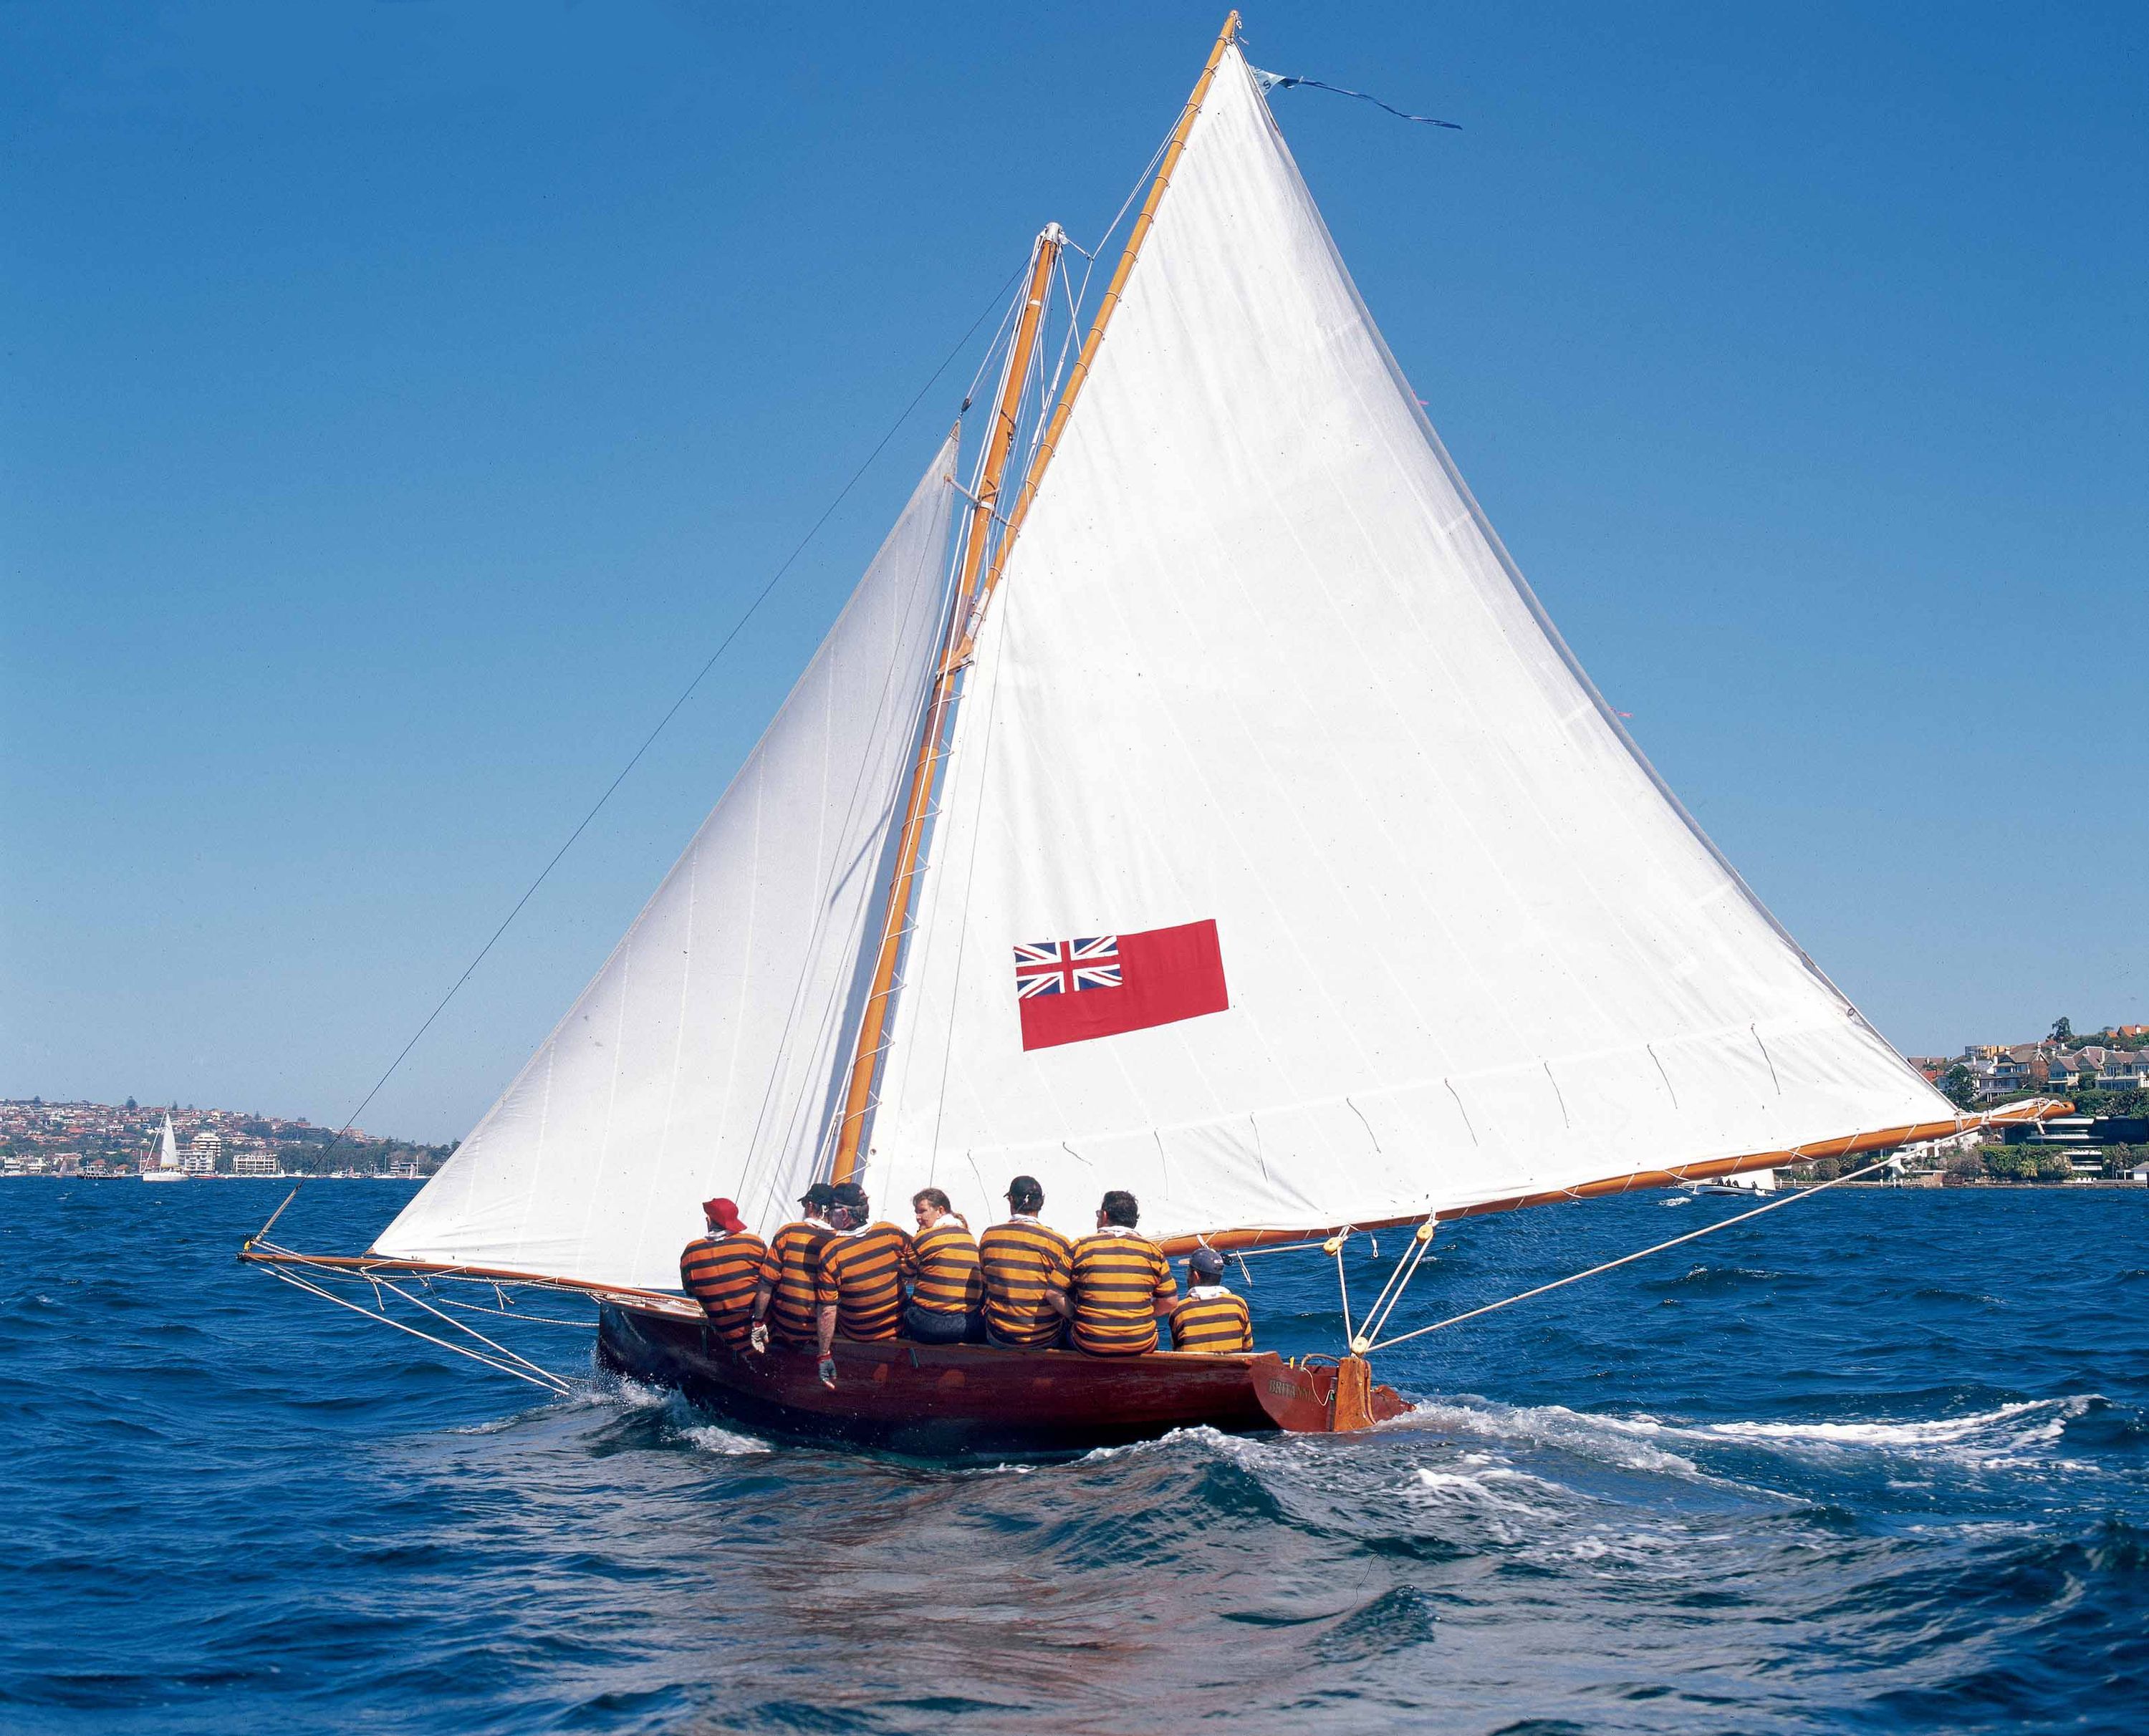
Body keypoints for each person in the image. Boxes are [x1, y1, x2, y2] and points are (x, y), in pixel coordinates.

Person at [1049, 1189, 1177, 1356]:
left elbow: (1053, 1294)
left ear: (1104, 1216)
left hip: (1090, 1343)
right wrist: (1143, 1315)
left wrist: (1075, 1316)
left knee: (1062, 1331)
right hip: (1141, 1344)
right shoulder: (1153, 1252)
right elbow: (1170, 1302)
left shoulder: (1080, 1247)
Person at [813, 1182, 911, 1384]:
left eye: (831, 1210)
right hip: (898, 1326)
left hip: (860, 1334)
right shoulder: (890, 1232)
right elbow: (916, 1260)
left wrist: (824, 1355)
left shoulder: (831, 1253)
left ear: (845, 1215)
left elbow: (827, 1311)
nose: (828, 1215)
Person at [978, 1174, 1073, 1349]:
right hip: (1044, 1339)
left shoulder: (989, 1236)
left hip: (999, 1337)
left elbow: (986, 1283)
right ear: (1042, 1202)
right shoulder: (1059, 1243)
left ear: (1011, 1200)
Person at [750, 1182, 837, 1352]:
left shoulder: (788, 1232)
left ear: (811, 1206)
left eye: (805, 1204)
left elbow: (766, 1283)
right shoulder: (840, 1242)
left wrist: (758, 1321)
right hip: (818, 1328)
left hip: (783, 1324)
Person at [679, 1197, 767, 1344]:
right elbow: (771, 1281)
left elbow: (690, 1291)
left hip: (727, 1335)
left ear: (709, 1221)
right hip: (762, 1331)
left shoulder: (691, 1252)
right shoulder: (754, 1243)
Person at [901, 1187, 983, 1344]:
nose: (918, 1217)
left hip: (929, 1326)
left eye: (922, 1211)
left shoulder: (923, 1238)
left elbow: (907, 1273)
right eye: (916, 1212)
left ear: (940, 1211)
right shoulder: (968, 1236)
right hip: (968, 1326)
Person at [1168, 1246, 1253, 1354]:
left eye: (1188, 1271)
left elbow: (1177, 1351)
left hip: (1192, 1369)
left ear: (1196, 1276)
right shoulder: (1238, 1305)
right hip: (1231, 1370)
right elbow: (1247, 1347)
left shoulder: (1179, 1310)